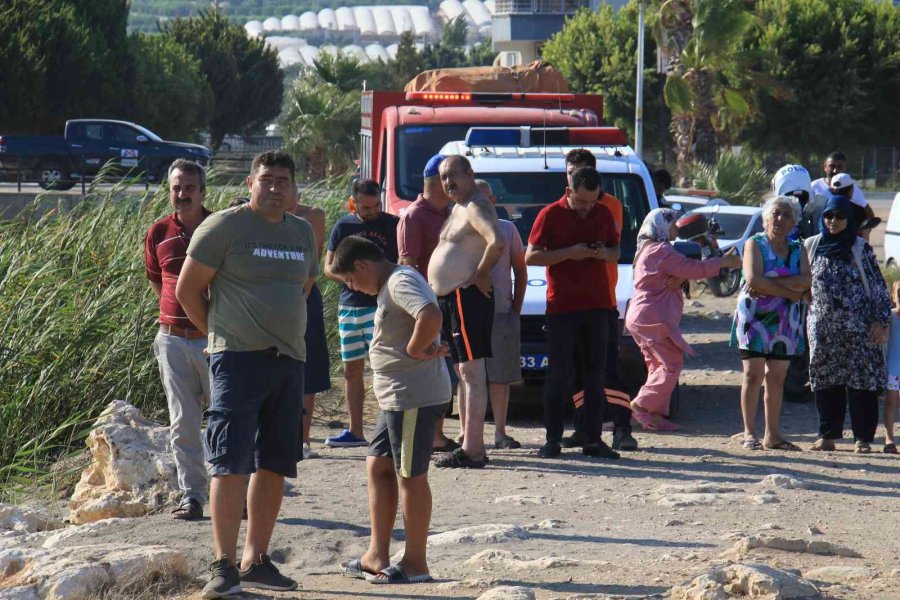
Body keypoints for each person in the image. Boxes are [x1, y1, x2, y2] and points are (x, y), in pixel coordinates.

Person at [176, 151, 317, 598]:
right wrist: (220, 335)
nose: (275, 187)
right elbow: (187, 290)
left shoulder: (301, 233)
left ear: (294, 188)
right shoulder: (224, 227)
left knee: (275, 462)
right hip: (236, 360)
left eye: (283, 180)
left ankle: (256, 558)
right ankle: (223, 563)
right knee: (229, 462)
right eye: (267, 179)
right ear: (251, 182)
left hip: (288, 361)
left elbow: (303, 288)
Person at [332, 236, 450, 585]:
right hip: (394, 398)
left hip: (413, 396)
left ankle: (416, 563)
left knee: (410, 476)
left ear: (362, 266)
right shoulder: (390, 284)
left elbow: (430, 313)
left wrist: (415, 349)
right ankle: (376, 555)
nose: (354, 288)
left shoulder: (400, 281)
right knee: (378, 465)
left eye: (351, 281)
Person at [526, 166, 620, 459]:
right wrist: (570, 252)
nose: (587, 208)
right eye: (581, 202)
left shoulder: (603, 213)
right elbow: (531, 256)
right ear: (568, 192)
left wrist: (601, 252)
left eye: (592, 201)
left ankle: (593, 440)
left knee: (595, 376)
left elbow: (615, 252)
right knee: (559, 375)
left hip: (599, 306)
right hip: (562, 308)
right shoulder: (550, 214)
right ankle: (552, 439)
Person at [626, 209, 742, 431]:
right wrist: (723, 261)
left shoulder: (648, 250)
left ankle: (654, 414)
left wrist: (681, 277)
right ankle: (641, 405)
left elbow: (680, 271)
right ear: (660, 226)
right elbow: (695, 268)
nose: (676, 229)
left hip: (643, 316)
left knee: (657, 365)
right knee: (671, 364)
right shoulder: (661, 251)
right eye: (671, 225)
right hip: (652, 317)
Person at [144, 159, 212, 521]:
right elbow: (158, 282)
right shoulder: (158, 232)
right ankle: (193, 497)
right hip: (171, 340)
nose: (182, 194)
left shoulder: (219, 228)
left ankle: (234, 494)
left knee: (226, 422)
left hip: (215, 341)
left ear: (203, 191)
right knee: (182, 423)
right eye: (176, 188)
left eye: (189, 188)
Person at [429, 155, 505, 468]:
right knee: (463, 372)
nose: (448, 183)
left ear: (469, 174)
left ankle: (474, 449)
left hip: (466, 296)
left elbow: (497, 241)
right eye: (443, 178)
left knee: (472, 373)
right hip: (451, 298)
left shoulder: (475, 204)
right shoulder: (458, 207)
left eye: (453, 176)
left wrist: (482, 274)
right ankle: (467, 440)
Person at [561, 149, 638, 452]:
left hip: (603, 299)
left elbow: (605, 243)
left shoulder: (610, 206)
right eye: (568, 171)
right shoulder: (560, 206)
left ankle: (622, 427)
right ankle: (584, 427)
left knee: (607, 368)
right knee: (577, 371)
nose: (571, 175)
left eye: (577, 171)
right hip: (569, 302)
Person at [805, 194, 891, 454]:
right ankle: (827, 436)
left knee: (861, 383)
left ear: (849, 220)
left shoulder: (860, 247)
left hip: (859, 328)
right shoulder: (811, 245)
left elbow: (877, 286)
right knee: (825, 381)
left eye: (840, 217)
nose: (833, 221)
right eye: (829, 216)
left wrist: (881, 320)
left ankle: (863, 439)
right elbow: (801, 282)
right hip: (823, 329)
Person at [323, 179, 399, 448]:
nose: (372, 211)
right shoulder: (344, 226)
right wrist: (350, 278)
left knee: (383, 367)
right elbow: (328, 267)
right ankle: (355, 431)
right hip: (349, 308)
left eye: (376, 204)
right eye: (366, 207)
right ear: (354, 202)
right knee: (351, 370)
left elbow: (398, 263)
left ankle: (389, 429)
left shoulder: (392, 224)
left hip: (379, 306)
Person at [731, 196, 810, 451]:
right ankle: (748, 433)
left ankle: (772, 435)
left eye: (786, 215)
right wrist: (792, 291)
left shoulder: (799, 248)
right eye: (776, 213)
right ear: (766, 217)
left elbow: (806, 281)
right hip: (755, 319)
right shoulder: (754, 244)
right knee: (753, 375)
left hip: (786, 323)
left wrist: (771, 283)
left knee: (777, 378)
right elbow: (754, 279)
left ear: (793, 222)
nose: (780, 219)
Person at [458, 178, 526, 450]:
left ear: (494, 202)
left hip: (500, 313)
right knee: (467, 377)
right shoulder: (459, 231)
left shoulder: (508, 231)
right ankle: (466, 435)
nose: (480, 204)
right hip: (467, 315)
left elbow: (521, 270)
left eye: (485, 199)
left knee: (500, 377)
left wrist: (515, 311)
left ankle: (500, 433)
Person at [397, 154, 457, 452]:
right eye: (451, 180)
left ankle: (436, 433)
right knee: (430, 370)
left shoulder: (450, 212)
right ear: (439, 182)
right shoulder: (414, 216)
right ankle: (428, 435)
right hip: (424, 308)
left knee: (443, 374)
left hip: (446, 305)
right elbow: (406, 266)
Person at [288, 188, 331, 459]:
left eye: (287, 185)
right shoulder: (261, 216)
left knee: (309, 365)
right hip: (272, 295)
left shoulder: (311, 215)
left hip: (303, 293)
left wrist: (299, 297)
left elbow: (312, 262)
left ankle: (303, 439)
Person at [810, 152, 875, 230]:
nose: (835, 171)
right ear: (825, 167)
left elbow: (869, 215)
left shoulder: (853, 189)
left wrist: (862, 234)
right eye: (832, 166)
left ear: (845, 168)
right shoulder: (814, 187)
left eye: (840, 167)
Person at [883, 280, 900, 454]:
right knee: (890, 404)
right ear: (893, 296)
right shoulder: (891, 317)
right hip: (893, 370)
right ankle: (889, 439)